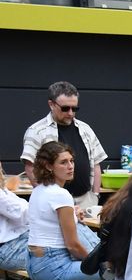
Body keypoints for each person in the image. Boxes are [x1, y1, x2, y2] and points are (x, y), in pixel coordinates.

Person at [27, 142, 123, 280]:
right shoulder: (60, 194)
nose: (70, 166)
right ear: (48, 166)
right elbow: (73, 245)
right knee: (123, 275)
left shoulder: (39, 190)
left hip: (35, 263)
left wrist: (72, 213)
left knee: (106, 272)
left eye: (71, 161)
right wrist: (99, 264)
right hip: (53, 265)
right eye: (63, 162)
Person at [21, 81, 107, 209]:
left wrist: (95, 195)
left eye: (75, 108)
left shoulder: (85, 129)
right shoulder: (36, 131)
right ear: (51, 104)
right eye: (65, 108)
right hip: (54, 202)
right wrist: (46, 197)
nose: (70, 113)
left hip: (86, 200)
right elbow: (30, 167)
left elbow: (96, 164)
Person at [0, 163, 53, 280]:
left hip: (14, 242)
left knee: (52, 242)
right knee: (51, 252)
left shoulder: (3, 191)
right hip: (7, 249)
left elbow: (22, 207)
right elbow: (23, 213)